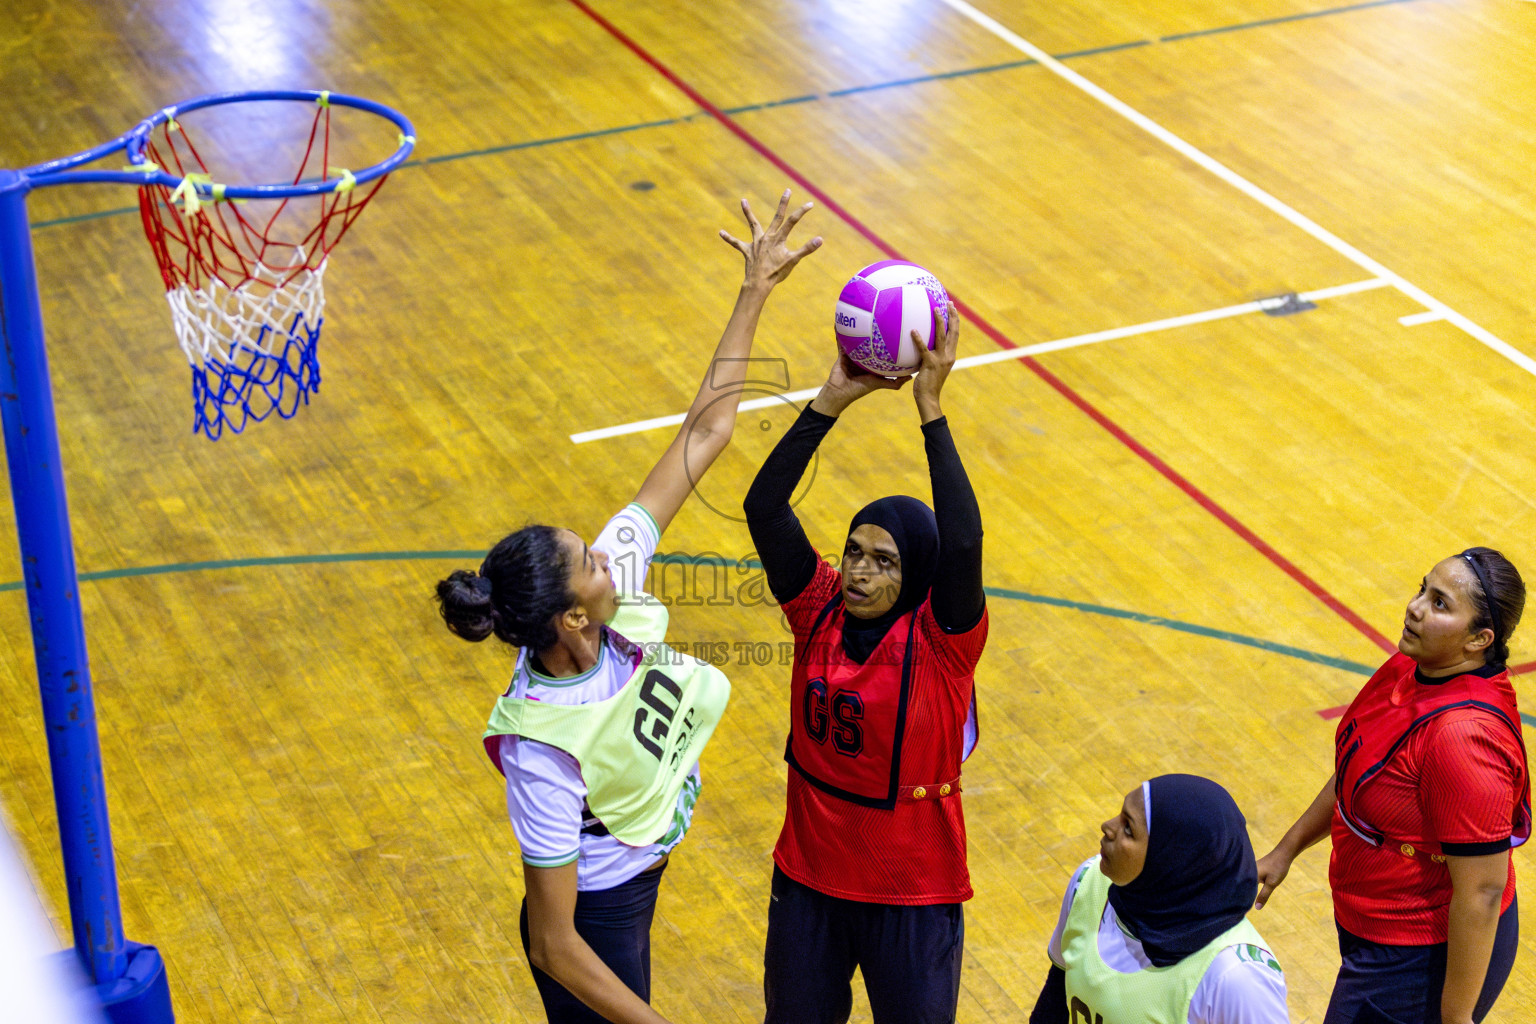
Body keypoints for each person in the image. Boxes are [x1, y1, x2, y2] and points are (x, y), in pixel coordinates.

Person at [435, 189, 820, 1024]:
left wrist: (755, 290)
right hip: (598, 921)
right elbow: (552, 944)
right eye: (589, 564)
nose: (607, 556)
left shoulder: (614, 584)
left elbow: (705, 436)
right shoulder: (540, 747)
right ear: (574, 619)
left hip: (640, 872)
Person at [742, 304, 988, 1024]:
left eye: (883, 561)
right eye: (853, 551)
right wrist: (830, 400)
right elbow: (764, 508)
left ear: (914, 573)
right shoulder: (814, 604)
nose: (859, 571)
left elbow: (966, 542)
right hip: (809, 884)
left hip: (911, 895)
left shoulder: (944, 642)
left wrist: (931, 410)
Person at [1255, 548, 1529, 1024]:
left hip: (1421, 957)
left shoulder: (1463, 740)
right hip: (1373, 926)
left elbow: (1482, 891)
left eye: (1441, 604)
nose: (1416, 607)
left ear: (1479, 640)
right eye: (1423, 590)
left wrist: (1456, 1016)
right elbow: (1359, 767)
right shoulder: (1412, 668)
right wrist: (1286, 850)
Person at [1029, 775, 1289, 1024]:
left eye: (1128, 828)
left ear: (1172, 861)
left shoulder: (1236, 977)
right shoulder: (1090, 882)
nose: (1108, 827)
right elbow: (1052, 1007)